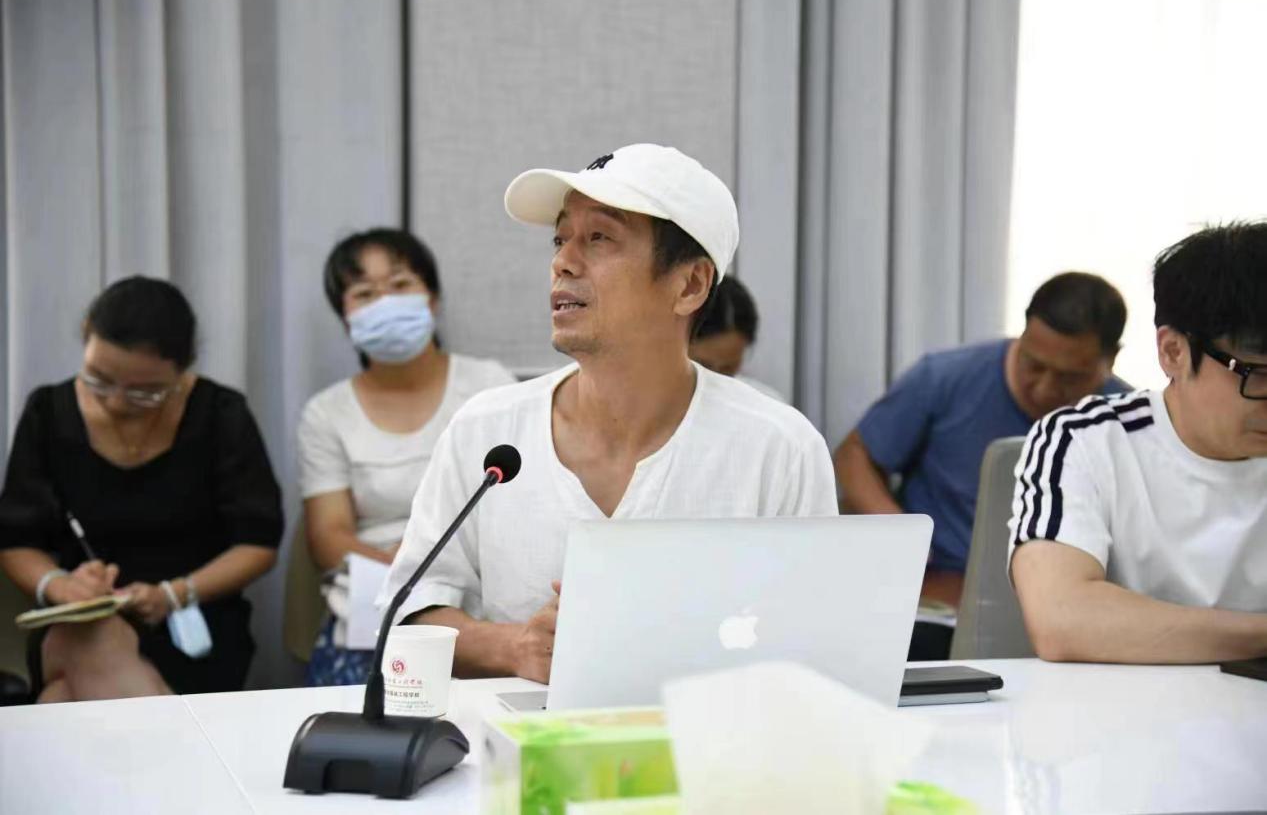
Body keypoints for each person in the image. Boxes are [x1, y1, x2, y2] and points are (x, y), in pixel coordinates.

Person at [379, 143, 837, 683]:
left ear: (690, 285)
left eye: (599, 238)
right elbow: (405, 618)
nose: (563, 262)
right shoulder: (486, 431)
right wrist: (515, 647)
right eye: (560, 238)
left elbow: (820, 645)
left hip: (709, 732)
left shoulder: (778, 447)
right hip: (517, 734)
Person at [0, 277, 282, 700]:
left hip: (193, 617)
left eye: (146, 393)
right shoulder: (49, 413)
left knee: (59, 698)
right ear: (86, 338)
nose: (116, 402)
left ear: (182, 371)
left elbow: (258, 543)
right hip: (78, 614)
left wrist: (174, 594)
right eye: (98, 380)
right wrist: (62, 587)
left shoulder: (221, 415)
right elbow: (16, 540)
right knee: (97, 636)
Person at [1010, 223, 1267, 664]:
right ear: (1173, 352)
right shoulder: (1085, 440)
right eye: (1258, 374)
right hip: (1123, 703)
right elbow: (1062, 619)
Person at [298, 228, 515, 685]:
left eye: (399, 285)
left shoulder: (489, 385)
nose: (385, 302)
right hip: (375, 602)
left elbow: (519, 503)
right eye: (364, 293)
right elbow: (328, 538)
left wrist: (439, 560)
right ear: (346, 318)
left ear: (431, 300)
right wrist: (404, 564)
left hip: (480, 595)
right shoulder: (326, 413)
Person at [834, 272, 1130, 607]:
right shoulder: (945, 377)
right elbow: (854, 455)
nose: (1044, 389)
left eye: (1069, 378)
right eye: (1033, 365)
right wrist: (899, 531)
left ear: (1110, 360)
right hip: (939, 589)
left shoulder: (1128, 422)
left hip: (1065, 597)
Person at [689, 275, 783, 400]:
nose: (716, 380)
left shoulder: (765, 403)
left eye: (727, 369)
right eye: (703, 366)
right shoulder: (664, 405)